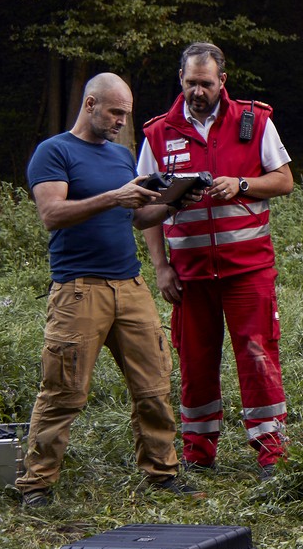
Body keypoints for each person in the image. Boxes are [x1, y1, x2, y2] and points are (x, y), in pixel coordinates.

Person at [19, 72, 202, 507]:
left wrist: (174, 201)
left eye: (127, 113)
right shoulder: (54, 152)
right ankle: (37, 484)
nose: (122, 120)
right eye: (115, 112)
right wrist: (113, 197)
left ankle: (162, 473)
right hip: (79, 290)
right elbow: (52, 213)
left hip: (130, 285)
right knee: (63, 390)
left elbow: (136, 219)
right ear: (90, 105)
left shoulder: (123, 157)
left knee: (154, 384)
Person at [139, 42, 295, 479]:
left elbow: (284, 181)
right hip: (188, 275)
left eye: (205, 83)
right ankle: (198, 452)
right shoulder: (158, 134)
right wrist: (161, 266)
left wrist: (242, 184)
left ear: (221, 81)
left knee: (257, 355)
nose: (197, 92)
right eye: (190, 83)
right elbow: (144, 208)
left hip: (248, 270)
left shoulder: (255, 121)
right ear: (181, 81)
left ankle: (271, 453)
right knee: (195, 363)